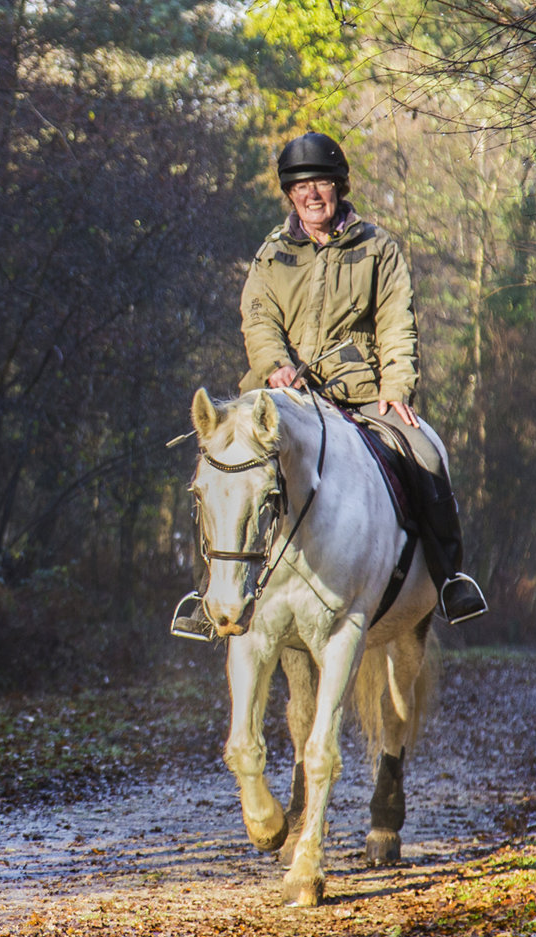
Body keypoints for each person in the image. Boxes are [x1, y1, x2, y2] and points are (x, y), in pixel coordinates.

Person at [172, 132, 486, 636]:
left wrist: (396, 387)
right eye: (301, 186)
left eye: (321, 183)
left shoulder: (377, 246)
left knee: (425, 456)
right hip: (280, 397)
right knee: (219, 469)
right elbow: (258, 317)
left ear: (338, 187)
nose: (312, 194)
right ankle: (206, 595)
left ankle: (450, 580)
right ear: (290, 195)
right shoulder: (271, 253)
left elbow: (396, 323)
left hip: (360, 393)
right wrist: (274, 363)